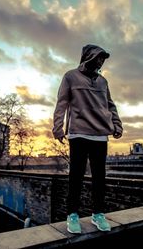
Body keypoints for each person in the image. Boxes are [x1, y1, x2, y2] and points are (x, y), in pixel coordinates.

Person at [52, 44, 123, 234]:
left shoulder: (103, 81)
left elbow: (110, 105)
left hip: (100, 135)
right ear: (88, 57)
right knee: (76, 176)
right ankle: (72, 215)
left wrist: (117, 124)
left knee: (100, 178)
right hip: (79, 133)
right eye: (99, 57)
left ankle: (98, 214)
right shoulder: (70, 76)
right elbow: (62, 103)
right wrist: (57, 127)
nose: (101, 61)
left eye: (103, 58)